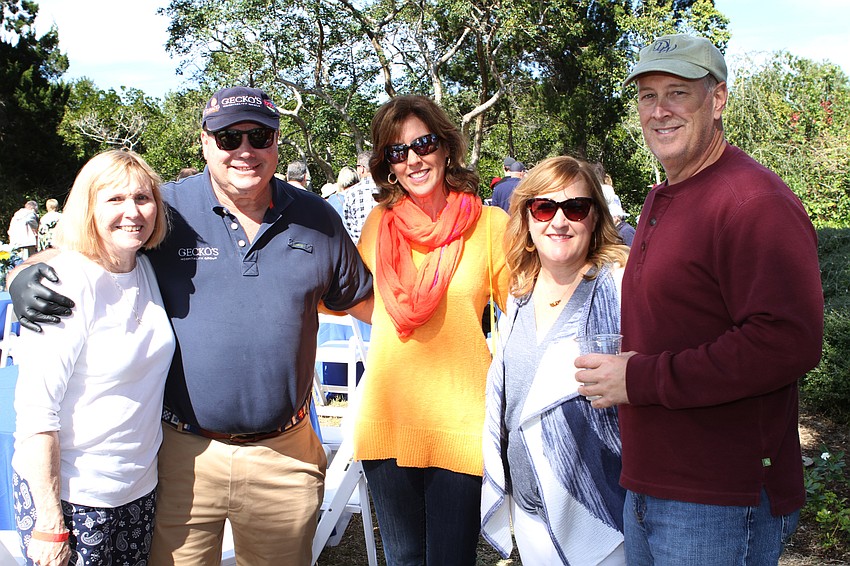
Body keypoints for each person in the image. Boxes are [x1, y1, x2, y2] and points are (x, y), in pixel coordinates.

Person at [10, 86, 374, 566]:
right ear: (205, 143)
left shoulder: (317, 219)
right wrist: (23, 273)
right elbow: (99, 240)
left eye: (259, 136)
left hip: (284, 457)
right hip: (181, 455)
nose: (244, 150)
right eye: (228, 138)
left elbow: (373, 308)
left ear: (277, 143)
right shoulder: (166, 209)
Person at [575, 34, 824, 564]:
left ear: (717, 100)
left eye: (677, 92)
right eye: (646, 95)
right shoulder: (667, 196)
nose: (659, 110)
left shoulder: (752, 201)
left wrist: (638, 378)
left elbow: (787, 343)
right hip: (651, 485)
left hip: (717, 501)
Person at [353, 95, 510, 565]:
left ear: (445, 147)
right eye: (397, 152)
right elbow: (359, 297)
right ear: (388, 165)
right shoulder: (379, 224)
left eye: (422, 144)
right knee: (402, 560)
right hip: (389, 416)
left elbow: (523, 309)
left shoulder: (488, 225)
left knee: (451, 559)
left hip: (461, 420)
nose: (413, 160)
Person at [12, 150, 175, 566]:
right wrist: (50, 524)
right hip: (73, 498)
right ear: (87, 208)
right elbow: (35, 416)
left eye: (142, 198)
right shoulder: (62, 286)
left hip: (137, 489)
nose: (132, 212)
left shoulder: (145, 267)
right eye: (114, 200)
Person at [481, 156, 630, 566]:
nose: (559, 221)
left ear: (595, 218)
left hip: (603, 514)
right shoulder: (519, 293)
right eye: (544, 208)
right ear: (527, 220)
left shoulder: (621, 283)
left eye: (575, 208)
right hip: (530, 517)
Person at [343, 150, 379, 243]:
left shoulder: (351, 193)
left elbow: (348, 225)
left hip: (361, 248)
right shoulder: (389, 189)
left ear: (361, 169)